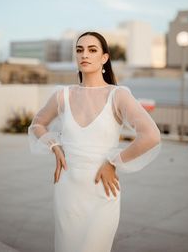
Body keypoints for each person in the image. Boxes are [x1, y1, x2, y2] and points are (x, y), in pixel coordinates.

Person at [28, 31, 161, 252]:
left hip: (103, 188)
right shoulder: (63, 95)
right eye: (79, 50)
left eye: (92, 50)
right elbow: (37, 124)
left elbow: (151, 136)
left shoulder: (118, 95)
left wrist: (113, 162)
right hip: (67, 189)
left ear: (104, 58)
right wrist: (54, 145)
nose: (84, 55)